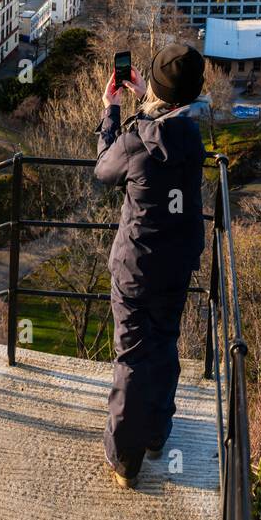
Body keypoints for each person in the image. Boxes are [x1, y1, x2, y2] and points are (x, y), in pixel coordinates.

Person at [95, 42, 207, 489]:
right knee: (163, 347)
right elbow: (171, 126)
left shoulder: (137, 141)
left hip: (137, 266)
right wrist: (151, 101)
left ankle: (125, 458)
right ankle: (158, 433)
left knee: (131, 359)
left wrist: (112, 111)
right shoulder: (192, 136)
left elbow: (104, 169)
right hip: (177, 262)